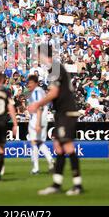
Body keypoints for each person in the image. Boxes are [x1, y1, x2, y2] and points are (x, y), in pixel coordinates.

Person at [28, 44, 83, 196]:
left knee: (68, 147)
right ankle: (57, 184)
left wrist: (37, 104)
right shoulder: (54, 68)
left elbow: (54, 92)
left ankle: (77, 185)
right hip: (62, 113)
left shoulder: (55, 68)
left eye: (38, 55)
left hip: (67, 113)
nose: (37, 58)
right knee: (58, 147)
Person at [26, 75, 54, 174]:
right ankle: (50, 160)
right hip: (42, 119)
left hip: (37, 119)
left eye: (30, 83)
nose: (28, 85)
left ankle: (36, 168)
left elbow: (39, 107)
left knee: (34, 142)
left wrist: (37, 123)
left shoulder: (37, 92)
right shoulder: (40, 91)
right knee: (39, 142)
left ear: (35, 83)